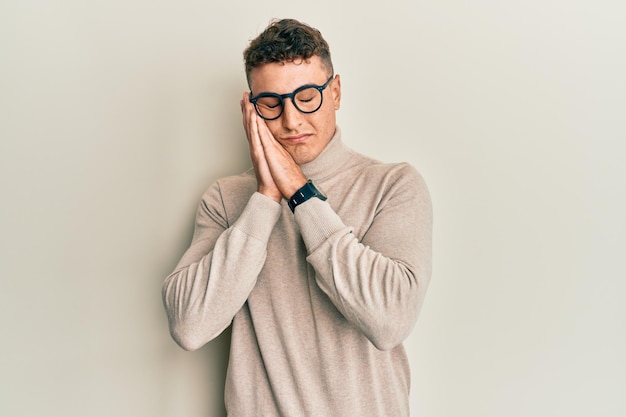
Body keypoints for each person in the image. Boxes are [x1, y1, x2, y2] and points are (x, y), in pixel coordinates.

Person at [162, 18, 433, 417]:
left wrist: (301, 193)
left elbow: (389, 321)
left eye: (307, 96)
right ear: (250, 108)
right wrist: (267, 195)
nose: (291, 120)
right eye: (271, 103)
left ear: (335, 92)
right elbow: (189, 326)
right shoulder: (225, 199)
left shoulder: (393, 185)